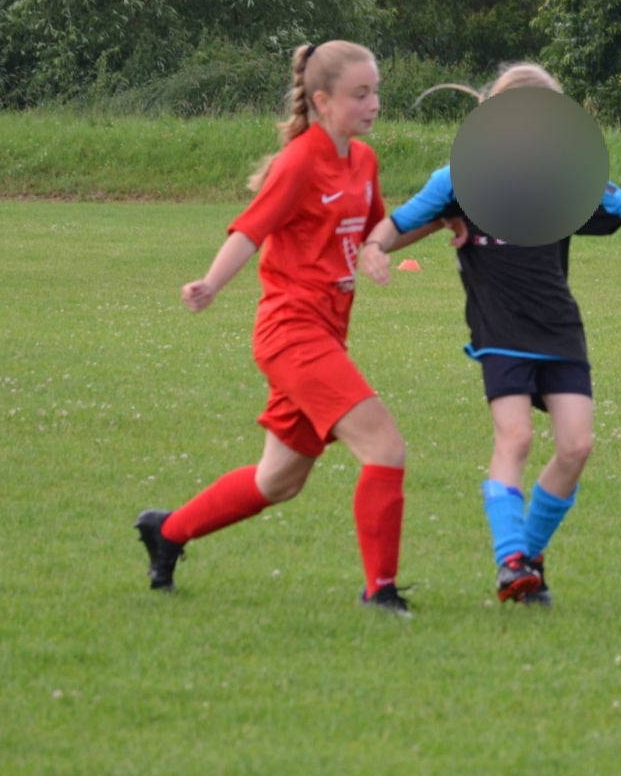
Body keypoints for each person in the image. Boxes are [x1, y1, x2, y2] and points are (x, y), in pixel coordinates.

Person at [360, 62, 621, 604]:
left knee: (577, 446)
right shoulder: (459, 178)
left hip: (558, 327)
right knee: (514, 438)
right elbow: (400, 223)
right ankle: (510, 560)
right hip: (500, 328)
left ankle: (528, 560)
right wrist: (375, 246)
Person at [135, 41, 414, 614]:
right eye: (360, 94)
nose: (374, 104)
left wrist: (445, 220)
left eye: (376, 92)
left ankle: (167, 531)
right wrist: (211, 283)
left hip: (326, 335)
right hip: (292, 333)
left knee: (279, 481)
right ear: (322, 101)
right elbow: (250, 230)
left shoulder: (363, 161)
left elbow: (379, 231)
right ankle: (380, 592)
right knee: (385, 447)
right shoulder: (300, 161)